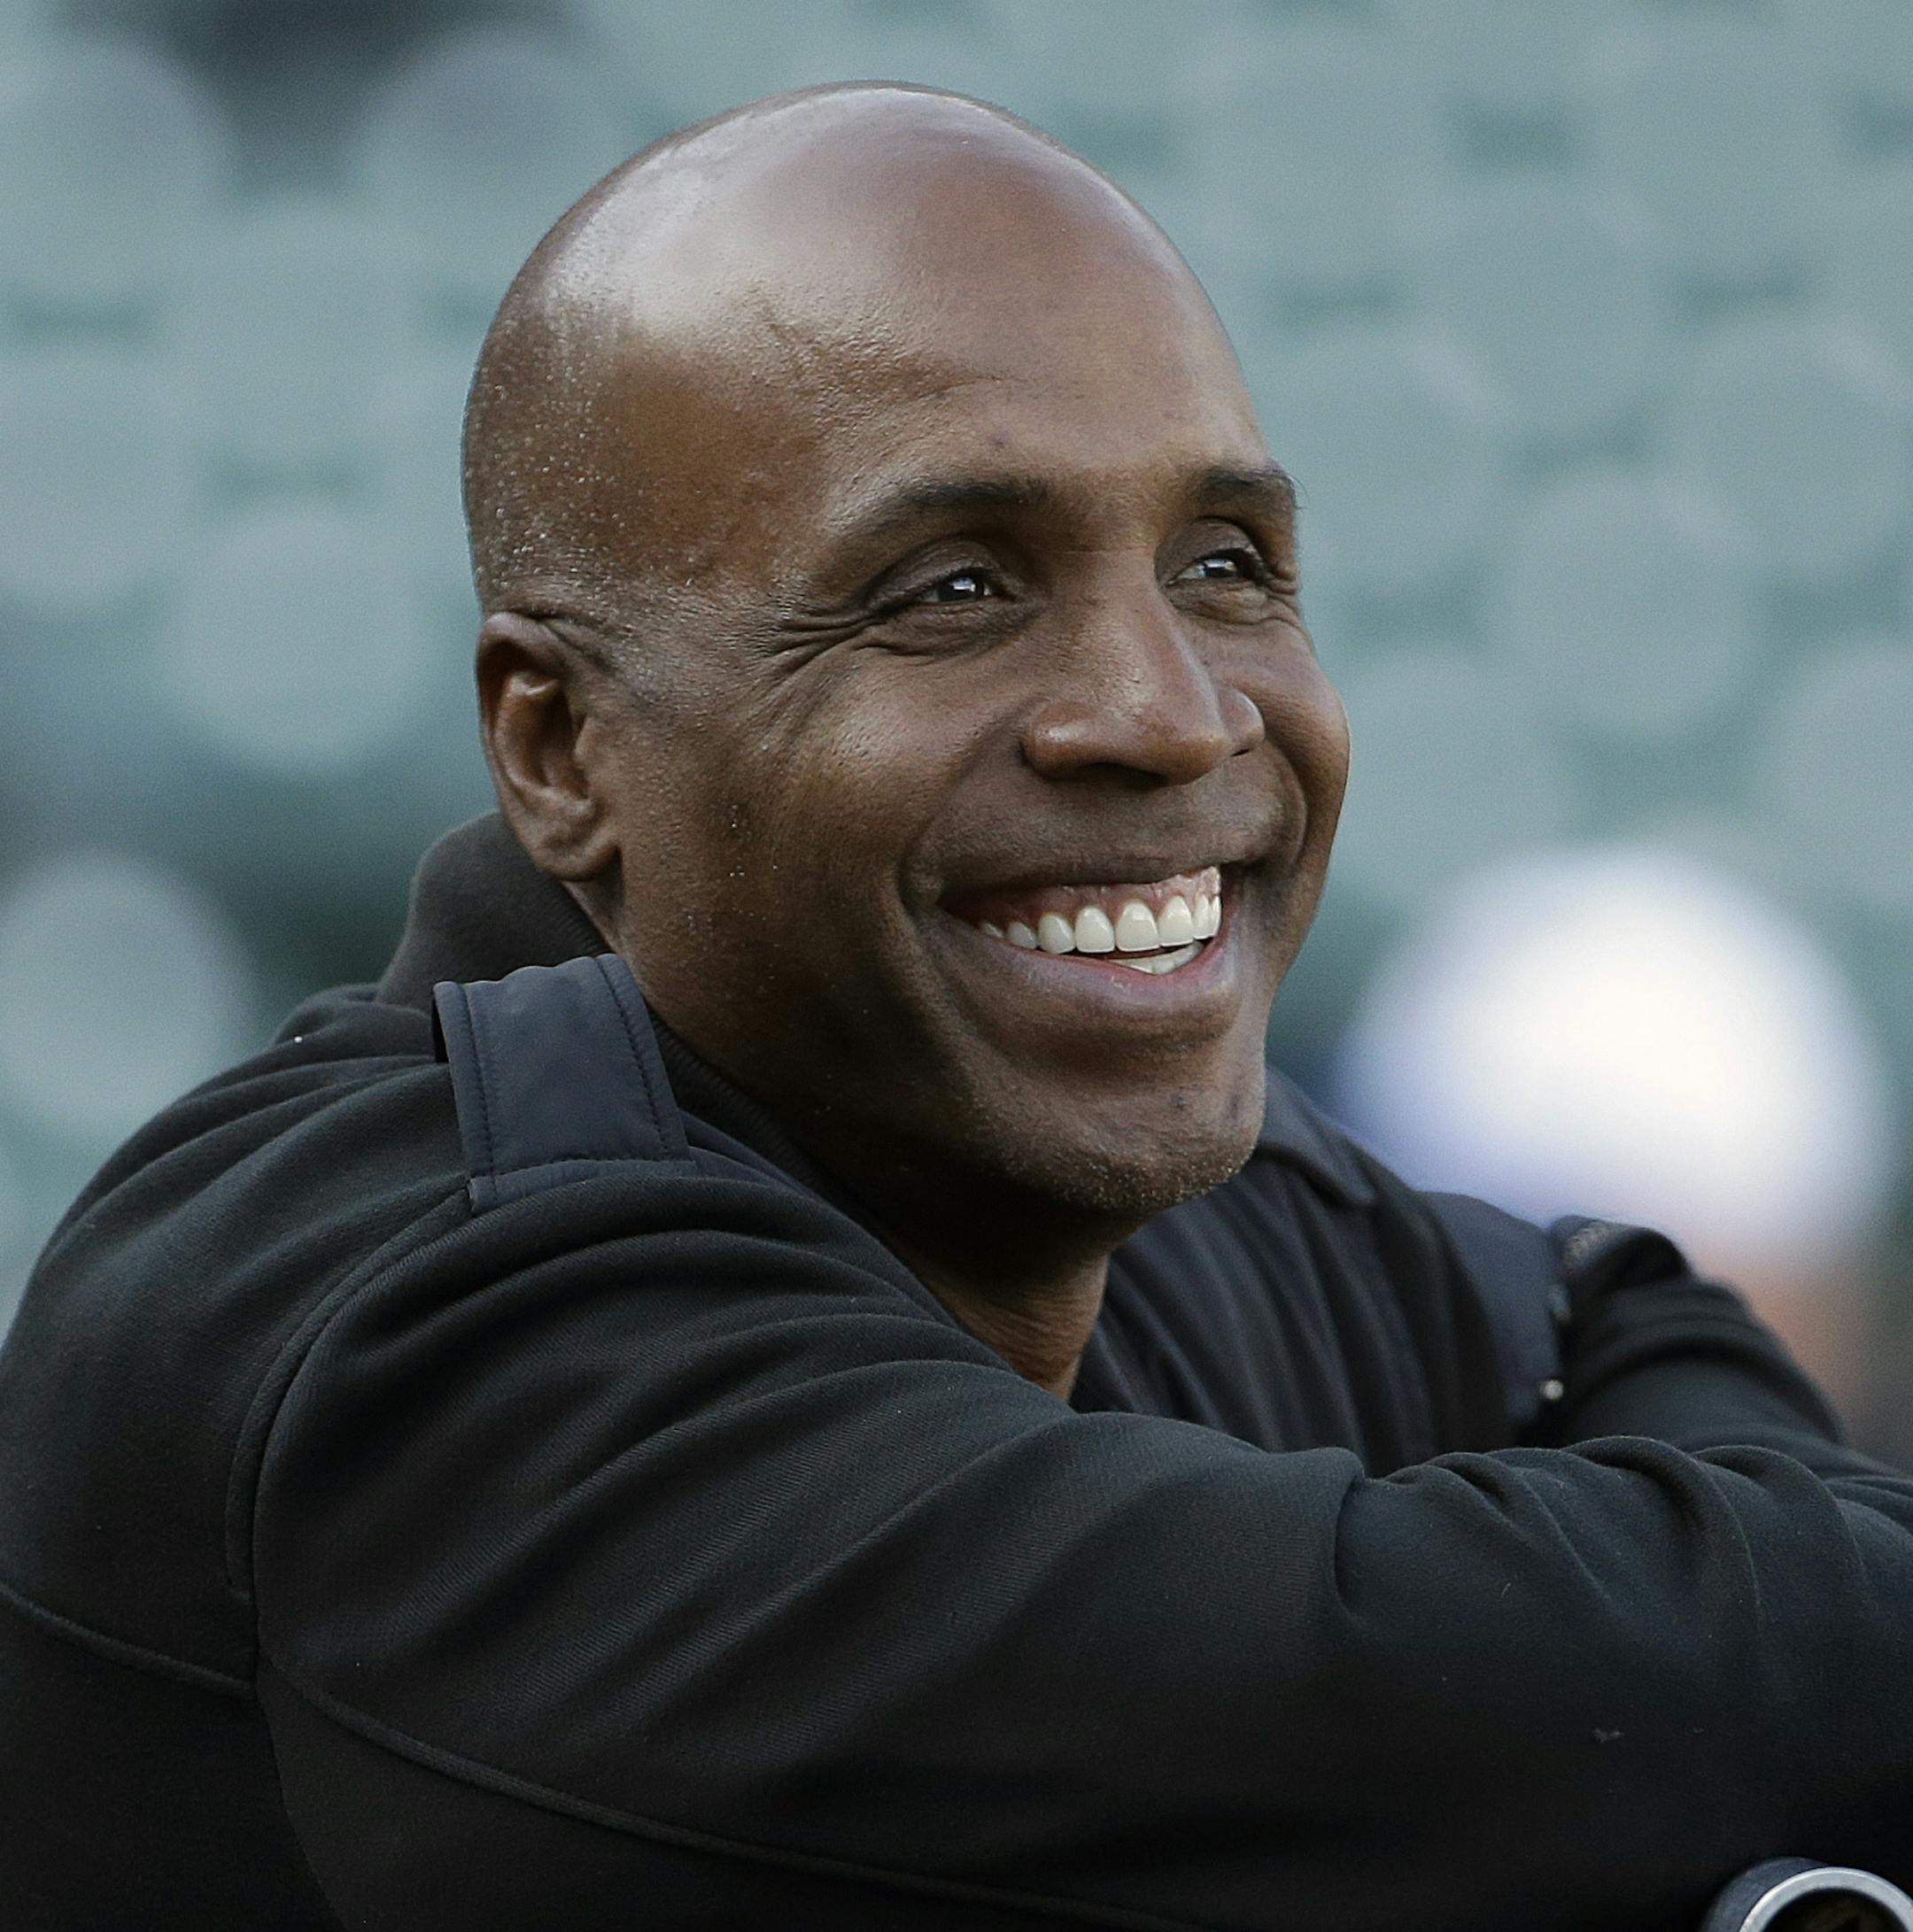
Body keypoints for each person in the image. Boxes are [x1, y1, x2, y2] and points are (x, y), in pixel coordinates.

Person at [1, 85, 1909, 1932]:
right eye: (956, 586)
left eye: (1227, 564)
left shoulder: (1060, 1161)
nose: (1171, 710)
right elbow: (1399, 1703)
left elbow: (1604, 1321)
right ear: (563, 746)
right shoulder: (393, 1310)